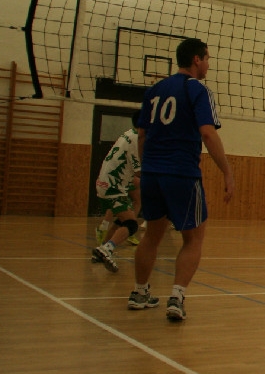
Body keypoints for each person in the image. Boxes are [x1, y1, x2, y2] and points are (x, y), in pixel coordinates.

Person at [130, 38, 235, 321]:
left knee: (152, 235)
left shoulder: (154, 90)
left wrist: (147, 166)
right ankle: (176, 297)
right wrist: (227, 171)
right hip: (182, 173)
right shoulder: (197, 90)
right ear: (196, 60)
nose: (208, 64)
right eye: (207, 59)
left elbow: (142, 135)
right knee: (194, 238)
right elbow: (208, 133)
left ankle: (139, 292)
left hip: (152, 173)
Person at [91, 113, 142, 272]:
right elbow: (139, 172)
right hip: (113, 187)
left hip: (108, 183)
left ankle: (101, 250)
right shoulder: (136, 140)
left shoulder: (129, 133)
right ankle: (107, 249)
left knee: (123, 219)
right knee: (131, 224)